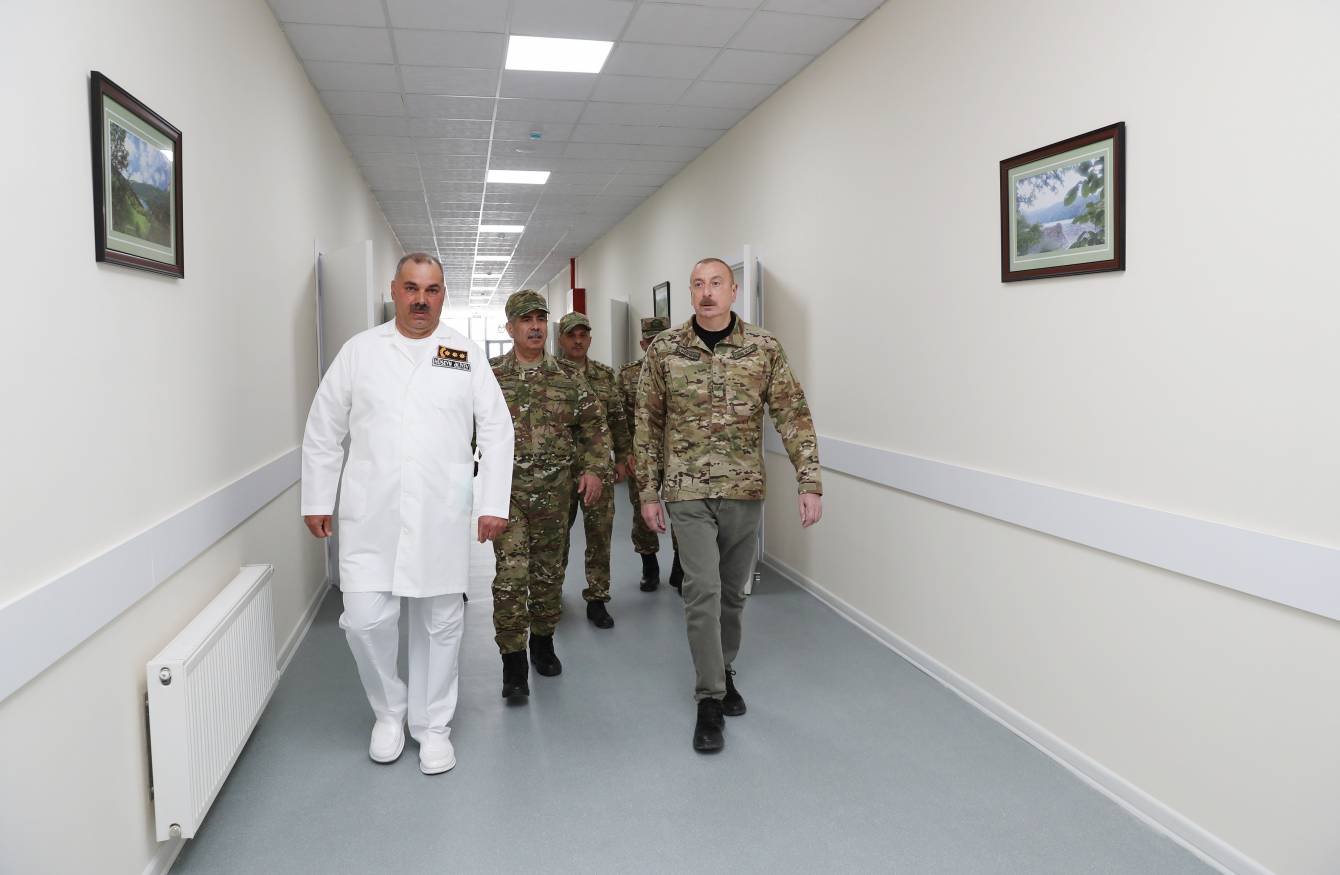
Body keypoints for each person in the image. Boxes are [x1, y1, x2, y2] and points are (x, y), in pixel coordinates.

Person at [300, 253, 513, 775]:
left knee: (441, 623)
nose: (421, 299)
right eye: (412, 288)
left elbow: (496, 429)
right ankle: (389, 711)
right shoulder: (360, 351)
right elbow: (324, 427)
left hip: (441, 511)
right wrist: (317, 497)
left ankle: (432, 726)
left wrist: (492, 504)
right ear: (394, 290)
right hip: (370, 512)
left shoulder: (463, 354)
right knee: (364, 619)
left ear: (443, 295)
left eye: (432, 289)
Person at [635, 257, 823, 753]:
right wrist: (648, 492)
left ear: (733, 290)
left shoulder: (763, 348)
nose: (707, 292)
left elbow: (793, 414)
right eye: (698, 284)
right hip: (686, 490)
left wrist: (809, 481)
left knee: (734, 593)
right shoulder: (666, 349)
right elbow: (647, 425)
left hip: (743, 490)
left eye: (716, 283)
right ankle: (709, 698)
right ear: (691, 293)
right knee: (702, 589)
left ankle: (723, 667)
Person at [490, 290, 612, 700]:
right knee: (510, 578)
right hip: (506, 497)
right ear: (510, 328)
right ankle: (512, 662)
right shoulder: (491, 377)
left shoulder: (568, 378)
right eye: (526, 320)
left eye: (540, 319)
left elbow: (595, 428)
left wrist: (594, 469)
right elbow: (467, 427)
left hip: (555, 498)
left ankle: (542, 642)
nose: (535, 327)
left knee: (547, 575)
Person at [556, 311, 631, 627]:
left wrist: (623, 456)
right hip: (559, 471)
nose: (577, 341)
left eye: (582, 335)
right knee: (556, 536)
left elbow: (617, 418)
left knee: (600, 533)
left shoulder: (604, 375)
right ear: (561, 339)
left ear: (589, 338)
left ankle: (598, 597)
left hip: (598, 467)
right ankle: (551, 593)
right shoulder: (550, 373)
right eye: (571, 335)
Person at [617, 316, 679, 592]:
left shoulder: (683, 370)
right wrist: (625, 453)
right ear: (643, 344)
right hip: (642, 456)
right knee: (642, 512)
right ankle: (649, 565)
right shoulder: (628, 374)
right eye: (651, 341)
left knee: (683, 512)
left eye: (661, 340)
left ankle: (680, 566)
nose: (656, 345)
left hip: (679, 456)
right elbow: (619, 418)